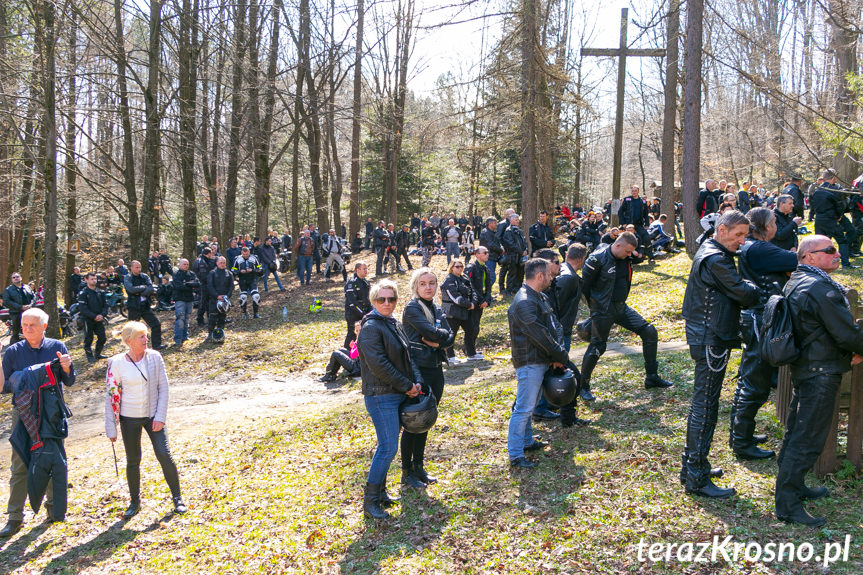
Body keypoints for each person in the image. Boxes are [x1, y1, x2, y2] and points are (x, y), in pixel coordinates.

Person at [775, 235, 863, 526]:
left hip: (809, 366)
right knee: (807, 438)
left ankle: (794, 486)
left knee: (796, 432)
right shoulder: (818, 287)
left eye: (836, 249)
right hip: (820, 371)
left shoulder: (797, 280)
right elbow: (846, 333)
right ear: (809, 256)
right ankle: (787, 505)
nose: (836, 254)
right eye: (829, 250)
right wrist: (853, 348)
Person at [680, 210, 761, 498]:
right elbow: (745, 293)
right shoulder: (715, 258)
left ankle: (692, 465)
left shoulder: (712, 249)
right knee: (705, 406)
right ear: (723, 230)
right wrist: (751, 286)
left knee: (703, 404)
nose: (742, 241)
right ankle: (697, 477)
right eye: (738, 235)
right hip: (710, 337)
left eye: (745, 236)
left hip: (710, 334)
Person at [729, 208, 799, 460]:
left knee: (751, 379)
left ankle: (740, 434)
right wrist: (792, 256)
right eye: (773, 223)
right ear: (765, 225)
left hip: (758, 317)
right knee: (755, 382)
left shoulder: (753, 247)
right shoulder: (759, 248)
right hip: (760, 319)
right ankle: (741, 441)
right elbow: (799, 259)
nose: (776, 227)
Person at [0, 308, 75, 536]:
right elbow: (3, 388)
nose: (27, 329)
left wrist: (65, 367)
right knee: (20, 462)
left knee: (53, 459)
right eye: (24, 325)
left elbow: (70, 380)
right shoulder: (12, 351)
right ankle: (14, 517)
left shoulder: (57, 347)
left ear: (44, 326)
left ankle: (54, 510)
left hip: (51, 413)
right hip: (23, 413)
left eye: (32, 325)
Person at [105, 321, 187, 519]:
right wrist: (111, 427)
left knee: (164, 454)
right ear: (128, 341)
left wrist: (160, 416)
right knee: (133, 460)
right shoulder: (116, 363)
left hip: (152, 416)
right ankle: (134, 502)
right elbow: (111, 395)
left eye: (146, 335)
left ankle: (178, 498)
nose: (146, 339)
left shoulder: (155, 358)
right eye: (141, 336)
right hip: (129, 418)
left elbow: (163, 388)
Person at [578, 232, 672, 402]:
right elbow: (584, 287)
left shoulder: (625, 257)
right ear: (618, 245)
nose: (630, 255)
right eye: (628, 251)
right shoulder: (597, 259)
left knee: (649, 331)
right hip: (603, 309)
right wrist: (595, 309)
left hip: (621, 307)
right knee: (598, 346)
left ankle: (651, 376)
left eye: (631, 252)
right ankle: (583, 386)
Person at [357, 279, 422, 519]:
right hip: (380, 396)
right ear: (373, 301)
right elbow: (379, 365)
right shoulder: (371, 327)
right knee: (388, 447)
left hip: (397, 392)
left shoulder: (393, 323)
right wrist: (406, 386)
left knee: (386, 445)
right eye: (381, 299)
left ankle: (381, 493)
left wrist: (415, 381)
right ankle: (370, 501)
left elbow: (408, 356)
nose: (387, 303)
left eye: (391, 299)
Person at [507, 259, 569, 469]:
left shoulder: (538, 297)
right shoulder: (524, 301)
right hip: (529, 362)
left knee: (528, 404)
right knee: (523, 408)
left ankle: (526, 441)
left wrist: (555, 355)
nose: (552, 278)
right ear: (540, 276)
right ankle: (516, 455)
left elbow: (552, 328)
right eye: (549, 275)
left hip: (541, 359)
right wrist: (561, 355)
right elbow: (540, 335)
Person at [401, 268, 455, 488]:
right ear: (416, 286)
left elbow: (450, 336)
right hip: (418, 371)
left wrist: (440, 340)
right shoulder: (412, 309)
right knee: (413, 422)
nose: (428, 287)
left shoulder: (436, 308)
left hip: (435, 369)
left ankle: (419, 467)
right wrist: (441, 337)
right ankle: (407, 472)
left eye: (432, 283)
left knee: (426, 421)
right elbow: (434, 333)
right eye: (423, 283)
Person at [810, 168, 856, 269]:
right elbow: (839, 206)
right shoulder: (833, 191)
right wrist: (839, 216)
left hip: (819, 219)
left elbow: (812, 205)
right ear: (834, 178)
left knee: (819, 243)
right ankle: (845, 264)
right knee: (842, 240)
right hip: (830, 219)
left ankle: (817, 264)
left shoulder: (817, 190)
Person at [440, 259, 476, 364]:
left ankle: (471, 353)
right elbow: (455, 298)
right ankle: (450, 356)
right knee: (451, 334)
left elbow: (472, 291)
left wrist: (473, 302)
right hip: (452, 312)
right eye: (457, 266)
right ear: (451, 267)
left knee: (471, 330)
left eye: (461, 266)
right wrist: (469, 304)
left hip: (465, 310)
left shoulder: (464, 278)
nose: (460, 268)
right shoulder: (449, 280)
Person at [124, 261, 166, 350]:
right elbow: (131, 289)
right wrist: (143, 288)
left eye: (139, 267)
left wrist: (140, 293)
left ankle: (156, 345)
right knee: (132, 329)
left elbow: (150, 288)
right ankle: (132, 348)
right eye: (136, 267)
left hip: (145, 306)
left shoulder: (144, 276)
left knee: (156, 324)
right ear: (131, 268)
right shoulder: (128, 277)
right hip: (133, 306)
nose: (139, 269)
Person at [465, 246, 493, 360]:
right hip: (472, 303)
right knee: (472, 327)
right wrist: (479, 300)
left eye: (488, 252)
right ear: (477, 255)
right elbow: (469, 286)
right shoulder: (471, 267)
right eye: (485, 252)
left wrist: (487, 299)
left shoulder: (486, 268)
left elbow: (488, 286)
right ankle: (470, 351)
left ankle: (471, 351)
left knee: (476, 327)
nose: (487, 254)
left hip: (481, 302)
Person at [78, 272, 108, 362]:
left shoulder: (100, 292)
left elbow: (105, 306)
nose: (94, 280)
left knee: (102, 337)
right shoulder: (83, 293)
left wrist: (102, 315)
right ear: (86, 280)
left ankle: (97, 354)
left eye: (95, 279)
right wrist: (94, 316)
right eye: (92, 279)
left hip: (99, 319)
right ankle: (89, 356)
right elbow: (83, 308)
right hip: (88, 319)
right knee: (88, 338)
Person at [618, 186, 652, 259]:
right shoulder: (627, 199)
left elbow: (646, 214)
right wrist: (623, 223)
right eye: (632, 191)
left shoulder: (642, 201)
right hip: (629, 224)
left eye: (635, 191)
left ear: (638, 191)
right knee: (629, 240)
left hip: (639, 224)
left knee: (646, 237)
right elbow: (620, 212)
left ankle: (649, 255)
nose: (634, 192)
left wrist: (647, 224)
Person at [171, 258, 199, 348]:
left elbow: (197, 283)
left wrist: (187, 284)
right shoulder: (176, 274)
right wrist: (190, 286)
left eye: (187, 264)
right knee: (180, 319)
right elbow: (178, 286)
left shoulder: (191, 273)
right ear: (180, 265)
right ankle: (178, 339)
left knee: (187, 319)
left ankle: (185, 336)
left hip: (189, 299)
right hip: (180, 299)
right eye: (184, 264)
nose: (186, 266)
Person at [3, 272, 36, 344]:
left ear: (21, 278)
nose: (15, 278)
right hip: (16, 313)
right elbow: (6, 302)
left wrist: (30, 305)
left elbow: (34, 297)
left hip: (29, 312)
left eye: (17, 277)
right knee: (16, 333)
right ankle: (12, 350)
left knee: (32, 330)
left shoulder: (27, 287)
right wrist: (20, 307)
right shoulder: (8, 290)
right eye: (13, 277)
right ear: (12, 280)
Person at [207, 256, 234, 341]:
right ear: (217, 263)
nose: (222, 264)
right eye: (221, 263)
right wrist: (217, 296)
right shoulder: (212, 273)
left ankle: (220, 334)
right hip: (214, 299)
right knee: (212, 317)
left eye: (224, 263)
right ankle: (210, 334)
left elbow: (231, 286)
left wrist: (227, 296)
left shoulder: (229, 273)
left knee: (222, 317)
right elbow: (209, 286)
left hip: (225, 299)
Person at [344, 263, 371, 348]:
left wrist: (370, 311)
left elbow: (368, 299)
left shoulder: (365, 282)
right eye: (364, 269)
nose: (366, 271)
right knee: (352, 334)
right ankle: (346, 353)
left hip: (365, 312)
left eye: (366, 269)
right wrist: (363, 314)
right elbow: (352, 302)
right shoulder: (351, 283)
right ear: (357, 270)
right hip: (353, 313)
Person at [232, 246, 263, 319]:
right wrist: (239, 271)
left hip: (252, 279)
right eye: (244, 254)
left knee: (256, 296)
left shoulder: (254, 258)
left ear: (249, 252)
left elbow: (260, 269)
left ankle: (256, 313)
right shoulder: (237, 259)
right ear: (241, 253)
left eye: (247, 254)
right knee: (243, 297)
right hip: (242, 280)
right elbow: (233, 269)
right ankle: (244, 313)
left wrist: (253, 270)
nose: (245, 256)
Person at [501, 213, 528, 295]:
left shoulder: (519, 230)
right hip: (513, 256)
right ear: (511, 220)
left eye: (518, 220)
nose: (518, 221)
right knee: (512, 273)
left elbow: (524, 242)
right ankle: (509, 290)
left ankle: (517, 289)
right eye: (516, 220)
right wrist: (521, 252)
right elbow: (511, 244)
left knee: (520, 273)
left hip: (521, 256)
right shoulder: (508, 231)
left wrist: (526, 250)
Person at [194, 248, 216, 327]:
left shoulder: (204, 260)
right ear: (208, 254)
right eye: (211, 254)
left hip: (206, 284)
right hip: (203, 285)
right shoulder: (201, 261)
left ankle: (209, 318)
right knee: (202, 302)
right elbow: (203, 275)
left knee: (208, 302)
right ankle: (200, 319)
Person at [479, 217, 502, 289]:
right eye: (495, 223)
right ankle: (485, 295)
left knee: (489, 277)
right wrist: (500, 250)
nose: (496, 224)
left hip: (493, 257)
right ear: (490, 223)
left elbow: (496, 243)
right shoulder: (486, 232)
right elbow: (490, 244)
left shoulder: (492, 233)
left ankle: (487, 295)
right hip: (488, 258)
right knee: (491, 277)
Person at [496, 208, 516, 293]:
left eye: (514, 214)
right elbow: (498, 237)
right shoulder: (502, 224)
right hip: (505, 251)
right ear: (506, 215)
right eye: (511, 214)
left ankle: (510, 287)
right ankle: (501, 288)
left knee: (511, 269)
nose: (513, 215)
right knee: (504, 269)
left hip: (513, 250)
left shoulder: (514, 223)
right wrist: (502, 249)